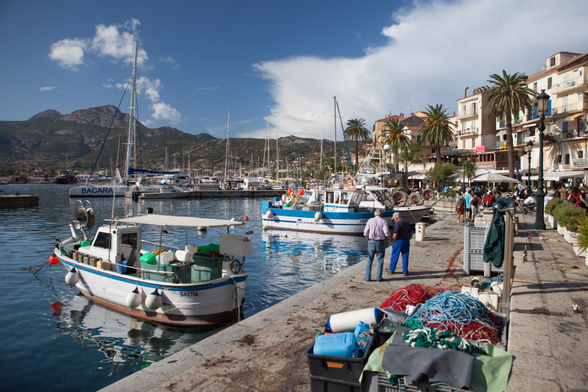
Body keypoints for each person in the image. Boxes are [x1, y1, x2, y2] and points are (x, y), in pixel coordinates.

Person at [363, 209, 393, 282]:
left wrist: (368, 240)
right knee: (380, 260)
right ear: (381, 214)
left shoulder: (370, 220)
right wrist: (391, 239)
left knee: (370, 260)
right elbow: (387, 233)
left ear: (374, 214)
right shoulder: (384, 221)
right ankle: (379, 277)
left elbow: (365, 233)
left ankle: (367, 277)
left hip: (371, 241)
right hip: (380, 242)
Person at [388, 212, 414, 276]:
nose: (394, 220)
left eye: (394, 219)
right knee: (405, 256)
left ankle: (391, 269)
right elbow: (412, 232)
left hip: (398, 241)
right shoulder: (406, 222)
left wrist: (393, 240)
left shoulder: (397, 223)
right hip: (406, 240)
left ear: (396, 218)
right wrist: (409, 239)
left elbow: (395, 234)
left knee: (395, 255)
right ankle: (405, 271)